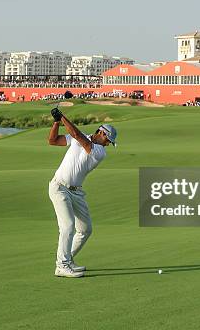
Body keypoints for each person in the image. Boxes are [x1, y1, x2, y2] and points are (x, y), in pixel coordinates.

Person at [47, 107, 117, 278]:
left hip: (76, 192)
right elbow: (53, 141)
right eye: (108, 140)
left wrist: (62, 116)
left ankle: (68, 260)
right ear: (101, 133)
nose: (108, 144)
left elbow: (80, 137)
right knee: (68, 226)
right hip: (59, 188)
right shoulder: (79, 138)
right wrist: (57, 121)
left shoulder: (100, 152)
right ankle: (62, 265)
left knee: (85, 229)